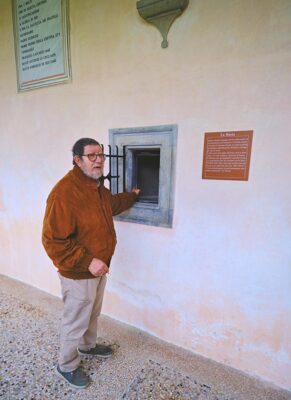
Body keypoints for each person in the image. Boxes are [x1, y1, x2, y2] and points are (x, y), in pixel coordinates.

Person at [42, 138, 140, 389]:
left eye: (101, 155)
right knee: (75, 320)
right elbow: (53, 241)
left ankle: (87, 347)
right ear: (77, 160)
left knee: (92, 314)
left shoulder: (95, 187)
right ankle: (66, 365)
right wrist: (88, 261)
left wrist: (132, 196)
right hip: (78, 272)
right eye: (92, 156)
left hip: (98, 268)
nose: (99, 160)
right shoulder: (64, 193)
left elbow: (111, 205)